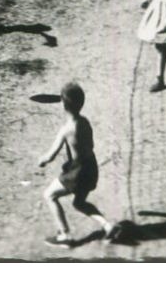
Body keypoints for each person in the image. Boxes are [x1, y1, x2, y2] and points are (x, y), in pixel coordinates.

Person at [38, 81, 117, 247]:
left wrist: (42, 160)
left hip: (77, 172)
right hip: (91, 167)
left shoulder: (66, 129)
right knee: (79, 203)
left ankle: (65, 236)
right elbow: (91, 145)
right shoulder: (85, 122)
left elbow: (50, 156)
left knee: (49, 195)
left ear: (63, 105)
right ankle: (108, 226)